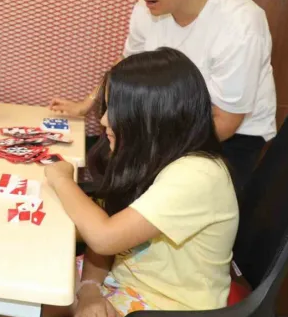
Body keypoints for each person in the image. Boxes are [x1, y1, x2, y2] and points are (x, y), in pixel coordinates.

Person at [49, 0, 276, 192]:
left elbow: (224, 123)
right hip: (169, 126)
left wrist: (152, 152)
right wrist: (88, 103)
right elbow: (125, 67)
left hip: (230, 139)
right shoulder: (146, 9)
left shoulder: (240, 23)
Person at [44, 48, 238, 317]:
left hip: (167, 307)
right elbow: (103, 228)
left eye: (116, 110)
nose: (102, 120)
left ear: (151, 116)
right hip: (120, 282)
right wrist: (89, 289)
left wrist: (62, 179)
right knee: (43, 284)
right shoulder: (146, 158)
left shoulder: (197, 174)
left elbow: (103, 237)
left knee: (43, 297)